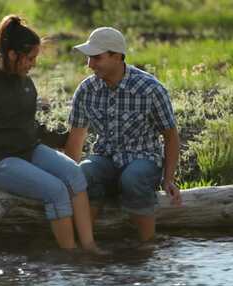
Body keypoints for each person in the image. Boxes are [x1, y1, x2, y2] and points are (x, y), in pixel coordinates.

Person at [0, 15, 103, 254]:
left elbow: (30, 126)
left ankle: (89, 246)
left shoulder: (26, 83)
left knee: (75, 174)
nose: (33, 63)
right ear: (12, 54)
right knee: (56, 191)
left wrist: (63, 139)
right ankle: (71, 257)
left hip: (29, 150)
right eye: (30, 58)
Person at [65, 27, 182, 242]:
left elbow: (171, 136)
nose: (90, 65)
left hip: (143, 158)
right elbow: (76, 138)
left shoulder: (150, 89)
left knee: (133, 178)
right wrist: (68, 179)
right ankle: (86, 246)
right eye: (89, 58)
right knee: (85, 173)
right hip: (105, 158)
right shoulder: (86, 90)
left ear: (117, 56)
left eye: (96, 58)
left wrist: (169, 179)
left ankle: (147, 246)